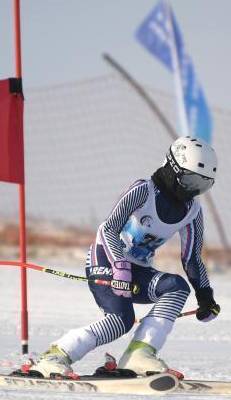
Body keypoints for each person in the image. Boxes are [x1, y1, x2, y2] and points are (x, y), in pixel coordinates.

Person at [29, 136, 221, 378]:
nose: (193, 190)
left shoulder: (192, 211)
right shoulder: (143, 191)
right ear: (173, 169)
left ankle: (140, 353)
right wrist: (120, 267)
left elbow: (192, 258)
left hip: (138, 270)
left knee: (177, 287)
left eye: (202, 185)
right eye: (190, 181)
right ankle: (55, 356)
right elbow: (108, 228)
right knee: (121, 320)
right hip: (106, 258)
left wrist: (205, 297)